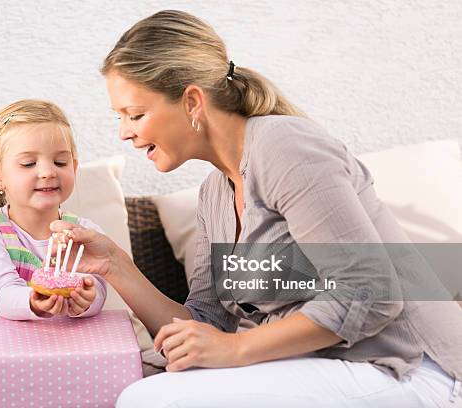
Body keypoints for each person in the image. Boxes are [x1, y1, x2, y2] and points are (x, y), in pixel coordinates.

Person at [50, 10, 462, 408]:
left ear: (192, 100)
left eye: (135, 114)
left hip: (410, 367)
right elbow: (205, 325)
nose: (124, 132)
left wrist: (236, 348)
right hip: (331, 367)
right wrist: (115, 266)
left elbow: (369, 291)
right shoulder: (215, 193)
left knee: (154, 400)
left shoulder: (285, 148)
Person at [0, 99, 107, 403]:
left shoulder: (85, 231)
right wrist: (33, 301)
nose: (48, 172)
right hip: (3, 360)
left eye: (60, 162)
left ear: (74, 167)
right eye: (28, 163)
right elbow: (2, 292)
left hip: (69, 361)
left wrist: (89, 299)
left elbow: (100, 287)